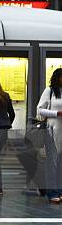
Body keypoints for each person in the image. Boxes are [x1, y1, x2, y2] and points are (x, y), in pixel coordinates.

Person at [37, 68, 62, 203]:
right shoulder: (50, 91)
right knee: (52, 164)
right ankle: (52, 192)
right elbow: (40, 109)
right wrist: (56, 113)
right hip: (52, 131)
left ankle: (60, 190)